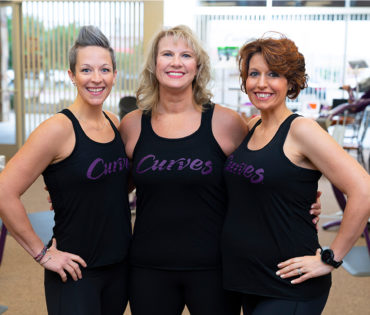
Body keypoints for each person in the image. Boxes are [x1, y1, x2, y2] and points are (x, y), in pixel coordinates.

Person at [119, 25, 321, 315]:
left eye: (186, 55)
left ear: (198, 66)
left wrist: (304, 201)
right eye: (167, 54)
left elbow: (262, 171)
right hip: (148, 266)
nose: (176, 62)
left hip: (216, 267)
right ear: (153, 64)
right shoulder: (132, 125)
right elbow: (115, 184)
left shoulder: (228, 123)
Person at [221, 34, 370, 315]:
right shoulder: (252, 126)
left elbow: (364, 189)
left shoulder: (301, 129)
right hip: (249, 278)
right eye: (254, 73)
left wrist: (330, 258)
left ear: (290, 82)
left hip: (290, 284)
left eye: (273, 74)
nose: (261, 83)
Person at [0, 25, 131, 315]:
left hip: (118, 268)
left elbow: (116, 182)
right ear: (71, 76)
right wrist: (42, 254)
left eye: (104, 70)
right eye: (86, 70)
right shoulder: (57, 129)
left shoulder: (113, 121)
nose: (96, 79)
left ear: (114, 75)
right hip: (75, 272)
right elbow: (3, 190)